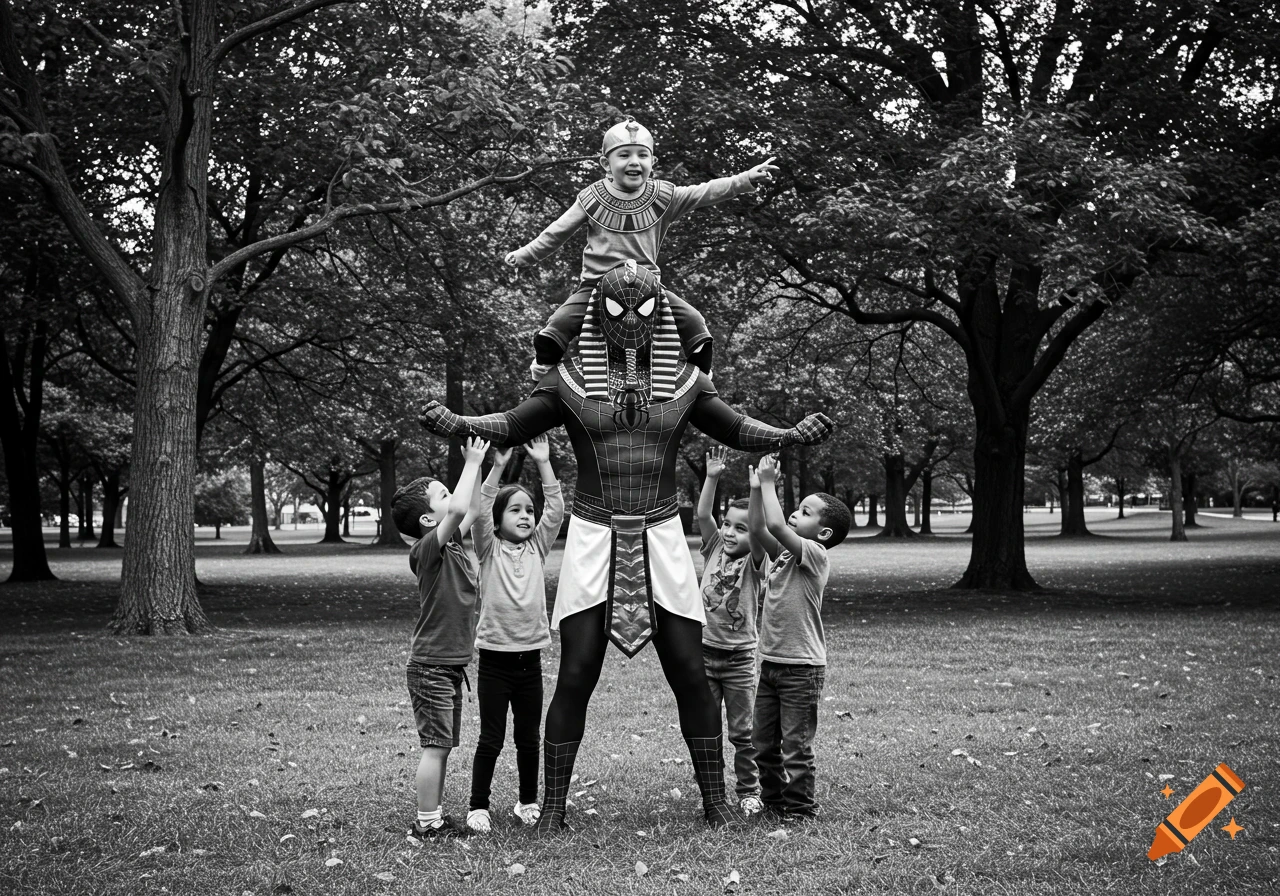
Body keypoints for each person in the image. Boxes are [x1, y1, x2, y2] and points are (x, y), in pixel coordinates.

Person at [417, 259, 833, 832]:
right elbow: (512, 423)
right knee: (576, 672)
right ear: (594, 314)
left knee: (690, 670)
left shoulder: (687, 383)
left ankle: (715, 800)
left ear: (662, 313)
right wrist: (460, 421)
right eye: (616, 308)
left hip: (661, 534)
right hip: (592, 534)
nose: (631, 318)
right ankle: (555, 807)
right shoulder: (566, 383)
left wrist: (785, 434)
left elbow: (735, 426)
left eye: (643, 308)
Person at [505, 117, 779, 380]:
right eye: (624, 155)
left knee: (694, 323)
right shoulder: (590, 198)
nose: (634, 162)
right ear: (606, 163)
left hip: (648, 288)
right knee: (557, 326)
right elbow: (556, 232)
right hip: (595, 288)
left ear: (653, 162)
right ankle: (543, 378)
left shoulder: (665, 196)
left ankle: (701, 384)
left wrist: (746, 179)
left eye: (642, 155)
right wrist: (525, 255)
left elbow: (705, 191)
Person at [390, 436, 488, 842]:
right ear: (429, 520)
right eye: (442, 495)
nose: (453, 496)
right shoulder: (428, 550)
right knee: (435, 746)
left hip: (447, 666)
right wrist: (471, 460)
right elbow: (462, 507)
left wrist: (490, 466)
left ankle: (433, 818)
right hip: (430, 666)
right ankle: (427, 822)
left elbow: (473, 508)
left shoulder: (452, 545)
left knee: (442, 745)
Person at [465, 434, 565, 833]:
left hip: (530, 662)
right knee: (491, 738)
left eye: (529, 510)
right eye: (516, 510)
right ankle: (478, 806)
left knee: (528, 738)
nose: (526, 516)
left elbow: (555, 510)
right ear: (499, 518)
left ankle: (527, 801)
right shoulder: (487, 546)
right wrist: (496, 467)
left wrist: (543, 463)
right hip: (493, 660)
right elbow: (481, 507)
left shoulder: (538, 547)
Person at [748, 454, 851, 820]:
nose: (795, 513)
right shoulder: (784, 558)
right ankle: (773, 802)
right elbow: (760, 529)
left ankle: (801, 809)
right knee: (762, 743)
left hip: (801, 670)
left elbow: (776, 525)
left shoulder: (815, 555)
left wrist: (767, 482)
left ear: (822, 533)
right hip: (772, 664)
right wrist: (755, 491)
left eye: (805, 512)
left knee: (795, 745)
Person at [696, 445, 768, 817]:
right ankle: (713, 792)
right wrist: (711, 477)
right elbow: (703, 514)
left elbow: (758, 529)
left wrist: (757, 491)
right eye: (728, 524)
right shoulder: (713, 550)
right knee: (707, 729)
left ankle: (749, 790)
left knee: (743, 732)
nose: (729, 532)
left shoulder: (757, 560)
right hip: (704, 654)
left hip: (739, 658)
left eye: (739, 528)